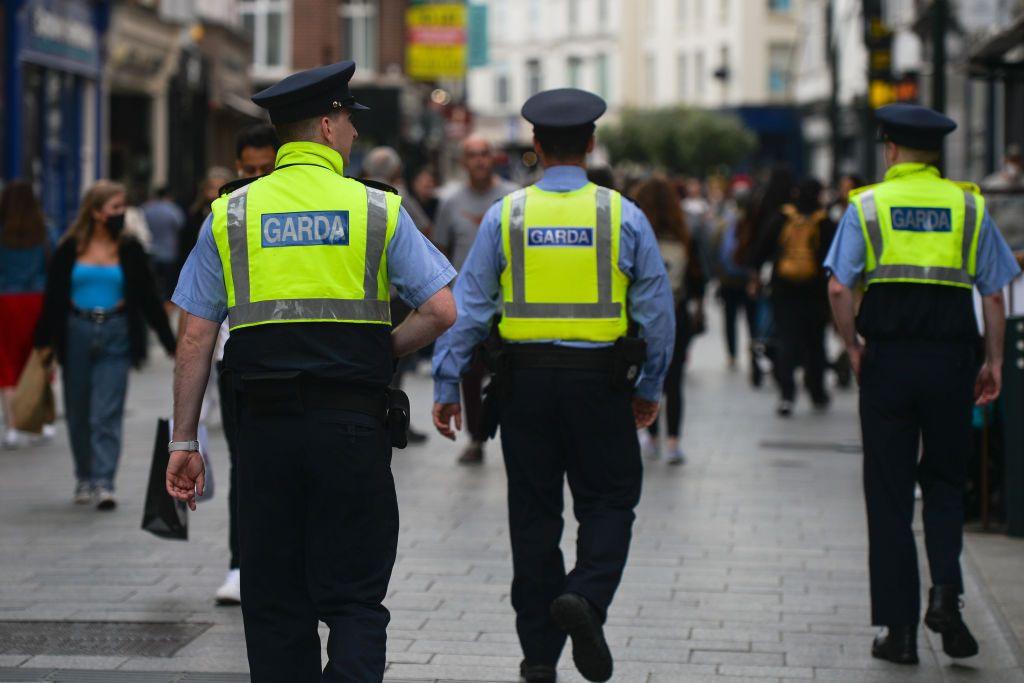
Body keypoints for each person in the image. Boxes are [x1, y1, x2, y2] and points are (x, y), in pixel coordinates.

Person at [166, 61, 456, 682]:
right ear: (326, 126)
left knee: (273, 603)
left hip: (264, 434)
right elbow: (440, 310)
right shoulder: (375, 209)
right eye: (349, 119)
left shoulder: (232, 213)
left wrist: (184, 441)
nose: (353, 133)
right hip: (353, 428)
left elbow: (195, 333)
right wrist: (383, 351)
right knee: (354, 597)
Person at [432, 88, 675, 683]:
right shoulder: (623, 215)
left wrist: (444, 383)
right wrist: (651, 385)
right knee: (611, 500)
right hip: (601, 387)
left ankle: (539, 656)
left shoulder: (506, 215)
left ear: (535, 147)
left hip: (525, 389)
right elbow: (659, 313)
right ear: (590, 145)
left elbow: (469, 307)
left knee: (534, 519)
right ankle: (586, 598)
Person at [825, 103, 1021, 666]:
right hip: (951, 364)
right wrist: (995, 361)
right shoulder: (968, 205)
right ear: (934, 153)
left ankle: (901, 630)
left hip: (887, 365)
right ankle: (948, 597)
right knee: (943, 483)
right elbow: (993, 293)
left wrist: (853, 348)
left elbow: (840, 288)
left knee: (888, 494)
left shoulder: (867, 205)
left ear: (889, 148)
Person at [35, 180, 176, 509]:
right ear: (96, 212)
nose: (121, 214)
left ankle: (104, 481)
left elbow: (148, 298)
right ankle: (84, 476)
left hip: (115, 331)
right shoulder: (70, 247)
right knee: (79, 410)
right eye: (115, 208)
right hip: (76, 330)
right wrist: (43, 342)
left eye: (123, 207)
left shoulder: (130, 248)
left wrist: (170, 342)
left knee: (106, 412)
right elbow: (53, 297)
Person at [212, 125, 281, 608]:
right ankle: (242, 563)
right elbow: (196, 312)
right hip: (233, 362)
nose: (255, 178)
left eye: (265, 169)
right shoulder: (225, 214)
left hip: (285, 359)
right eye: (248, 169)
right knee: (245, 467)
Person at [432, 135, 518, 464]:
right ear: (464, 161)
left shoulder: (512, 198)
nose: (480, 160)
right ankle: (476, 438)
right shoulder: (451, 203)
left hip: (506, 306)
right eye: (473, 155)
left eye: (485, 153)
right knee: (469, 374)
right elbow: (439, 251)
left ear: (493, 157)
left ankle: (512, 433)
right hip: (464, 306)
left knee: (509, 374)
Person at [632, 175, 705, 465]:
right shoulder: (685, 237)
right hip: (677, 315)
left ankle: (650, 435)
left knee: (644, 375)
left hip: (640, 317)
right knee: (673, 381)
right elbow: (699, 281)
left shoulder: (636, 236)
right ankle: (674, 441)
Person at [749, 178, 835, 416]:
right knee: (816, 343)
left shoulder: (781, 218)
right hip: (816, 293)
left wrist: (755, 278)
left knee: (786, 341)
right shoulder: (825, 222)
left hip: (784, 291)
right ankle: (817, 391)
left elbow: (759, 251)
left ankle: (787, 395)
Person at [0, 182, 53, 448]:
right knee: (36, 360)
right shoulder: (45, 232)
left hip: (5, 302)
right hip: (37, 300)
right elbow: (53, 266)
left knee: (7, 364)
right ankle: (38, 422)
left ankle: (12, 425)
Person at [179, 168, 233, 273]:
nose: (214, 194)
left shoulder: (235, 217)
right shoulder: (193, 217)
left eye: (220, 188)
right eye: (211, 188)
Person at [141, 187, 186, 302]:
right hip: (169, 252)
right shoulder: (172, 209)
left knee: (152, 281)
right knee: (168, 282)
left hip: (150, 251)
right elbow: (180, 225)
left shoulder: (146, 208)